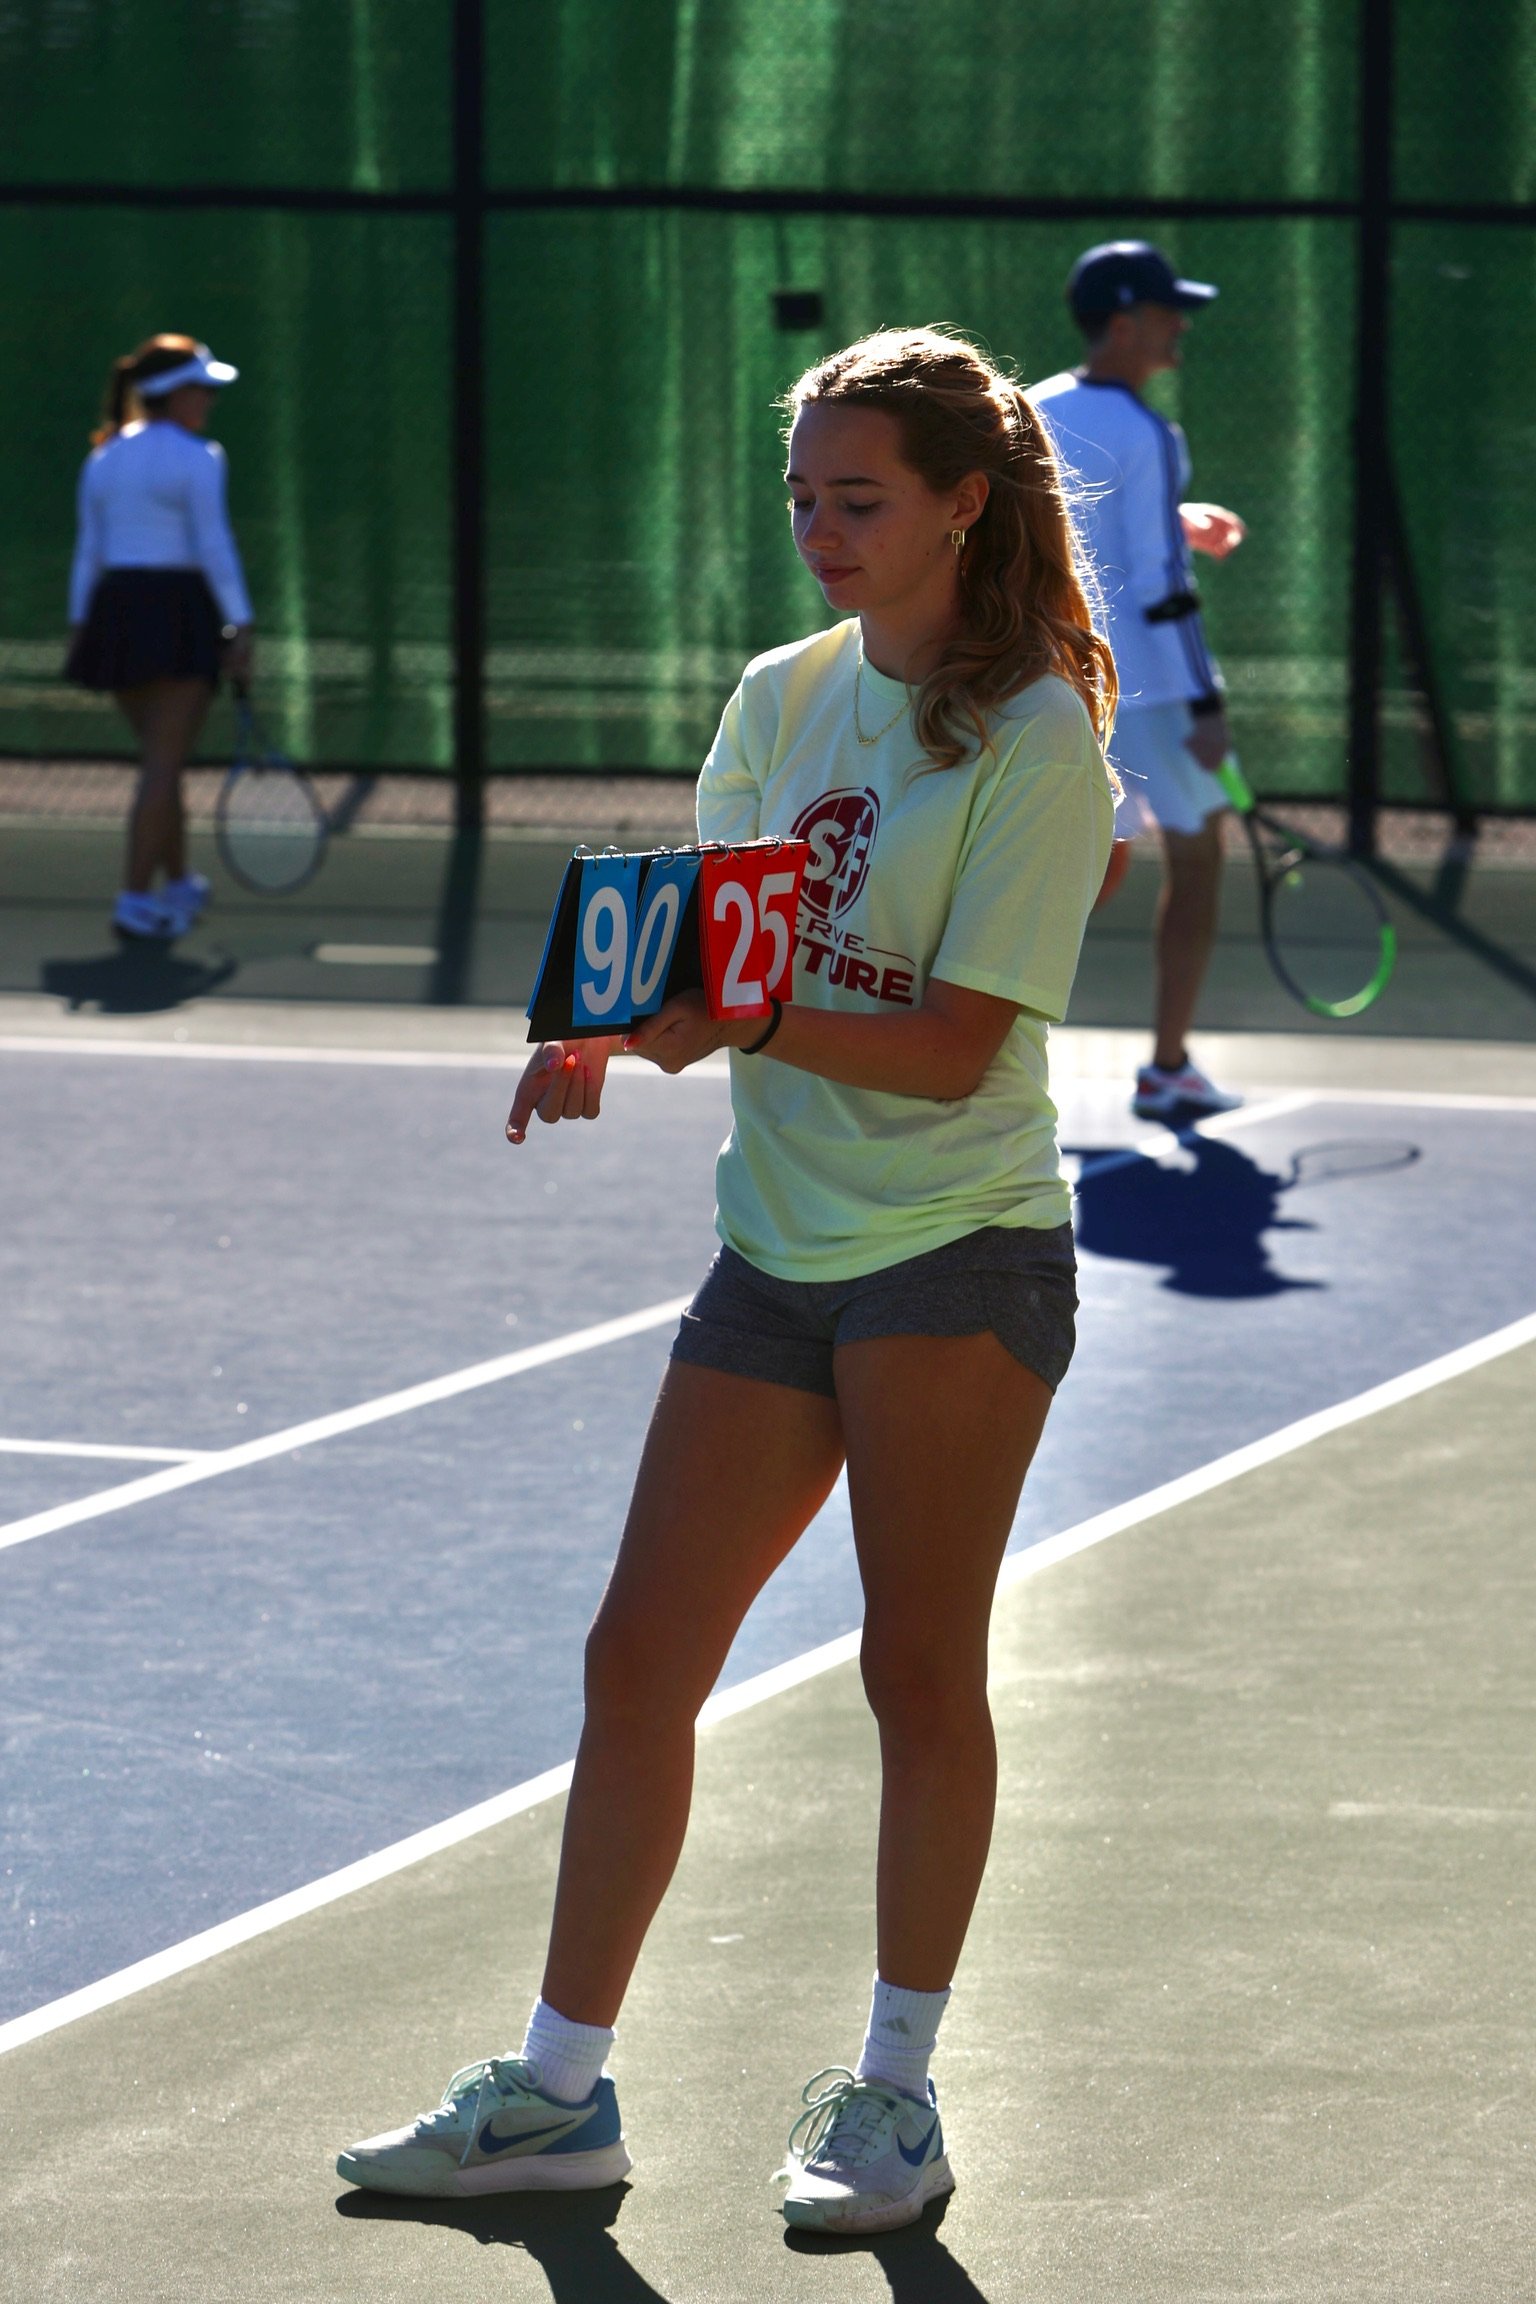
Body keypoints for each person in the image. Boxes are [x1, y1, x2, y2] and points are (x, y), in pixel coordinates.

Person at [337, 329, 1116, 2235]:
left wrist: (738, 1014)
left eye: (860, 499)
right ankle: (555, 2094)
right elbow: (721, 933)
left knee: (915, 1665)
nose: (821, 531)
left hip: (959, 1248)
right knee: (636, 1658)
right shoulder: (781, 691)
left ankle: (896, 2097)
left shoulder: (1037, 740)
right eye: (803, 498)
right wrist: (611, 1025)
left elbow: (948, 1048)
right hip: (773, 1250)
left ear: (960, 502)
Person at [1031, 241, 1247, 1120]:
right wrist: (1208, 708)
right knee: (1196, 862)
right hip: (1154, 695)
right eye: (1166, 313)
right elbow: (1161, 589)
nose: (1179, 325)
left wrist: (1173, 517)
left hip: (1057, 682)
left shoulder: (1033, 407)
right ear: (1123, 324)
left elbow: (1066, 525)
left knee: (1071, 878)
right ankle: (1166, 1068)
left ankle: (965, 1038)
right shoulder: (1151, 431)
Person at [66, 334, 253, 942]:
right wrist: (242, 624)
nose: (208, 400)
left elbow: (90, 554)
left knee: (161, 766)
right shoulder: (200, 457)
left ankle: (177, 884)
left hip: (114, 617)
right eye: (201, 388)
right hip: (173, 616)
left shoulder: (103, 458)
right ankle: (133, 900)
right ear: (172, 394)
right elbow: (213, 546)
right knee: (162, 768)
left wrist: (79, 626)